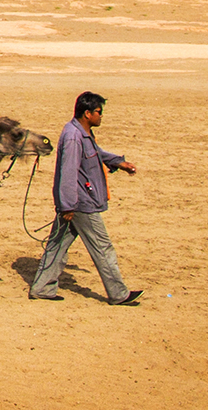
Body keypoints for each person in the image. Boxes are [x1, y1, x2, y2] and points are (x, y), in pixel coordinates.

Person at [30, 91, 139, 303]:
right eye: (99, 112)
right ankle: (119, 294)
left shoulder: (81, 133)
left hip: (73, 204)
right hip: (80, 204)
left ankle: (42, 288)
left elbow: (96, 153)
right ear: (87, 113)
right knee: (102, 246)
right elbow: (68, 172)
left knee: (57, 246)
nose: (101, 116)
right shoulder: (73, 136)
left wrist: (119, 163)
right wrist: (68, 205)